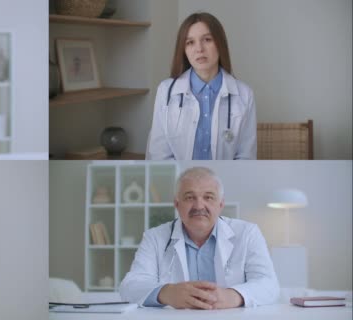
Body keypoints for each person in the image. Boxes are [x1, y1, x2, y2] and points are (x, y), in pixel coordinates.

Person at [119, 167, 278, 309]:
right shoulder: (154, 237)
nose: (199, 206)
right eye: (189, 197)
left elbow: (269, 285)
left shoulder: (248, 233)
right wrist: (167, 293)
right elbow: (130, 286)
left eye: (208, 197)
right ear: (177, 204)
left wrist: (232, 296)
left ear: (220, 205)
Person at [146, 12, 257, 160]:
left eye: (207, 40)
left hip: (227, 182)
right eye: (190, 42)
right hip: (177, 181)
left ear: (220, 43)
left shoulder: (244, 94)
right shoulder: (166, 91)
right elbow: (159, 155)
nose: (199, 49)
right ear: (184, 50)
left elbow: (246, 158)